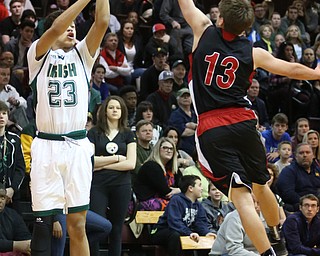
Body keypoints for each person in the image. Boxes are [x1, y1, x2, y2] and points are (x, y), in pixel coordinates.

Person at [177, 0, 320, 255]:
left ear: (220, 18)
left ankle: (267, 253)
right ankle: (278, 233)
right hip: (244, 122)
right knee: (261, 183)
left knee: (241, 196)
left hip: (212, 125)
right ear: (248, 26)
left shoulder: (203, 29)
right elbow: (292, 69)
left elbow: (185, 3)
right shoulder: (254, 52)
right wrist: (317, 73)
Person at [26, 0, 110, 254]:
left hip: (76, 146)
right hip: (46, 145)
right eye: (67, 26)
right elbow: (53, 31)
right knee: (43, 224)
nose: (72, 29)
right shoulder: (37, 54)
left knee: (78, 224)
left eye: (75, 26)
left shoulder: (82, 55)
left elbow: (103, 21)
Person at [87, 96, 136, 256]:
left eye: (118, 108)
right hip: (98, 185)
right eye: (111, 107)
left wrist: (103, 164)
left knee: (116, 228)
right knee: (96, 226)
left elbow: (131, 164)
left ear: (123, 112)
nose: (115, 110)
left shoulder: (128, 134)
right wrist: (116, 158)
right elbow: (91, 161)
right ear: (105, 111)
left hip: (121, 185)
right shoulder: (94, 133)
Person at [150, 175, 215, 256]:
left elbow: (201, 223)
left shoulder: (198, 205)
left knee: (201, 238)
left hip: (182, 231)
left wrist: (206, 233)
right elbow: (174, 222)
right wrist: (189, 233)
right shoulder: (176, 200)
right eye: (199, 185)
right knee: (176, 235)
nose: (202, 188)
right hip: (162, 232)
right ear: (190, 188)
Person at [133, 137, 180, 211]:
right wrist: (180, 190)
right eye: (165, 148)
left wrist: (178, 190)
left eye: (171, 149)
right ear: (158, 149)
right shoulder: (151, 166)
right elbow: (165, 192)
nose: (168, 151)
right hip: (145, 202)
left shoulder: (172, 169)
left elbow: (185, 184)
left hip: (164, 201)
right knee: (179, 204)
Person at [276, 143, 320, 212]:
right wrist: (308, 203)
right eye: (301, 153)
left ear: (313, 155)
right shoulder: (288, 171)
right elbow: (288, 194)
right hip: (298, 208)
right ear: (295, 156)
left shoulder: (317, 170)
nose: (305, 155)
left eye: (307, 152)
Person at [0, 100, 25, 210]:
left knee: (17, 225)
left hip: (11, 194)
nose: (1, 117)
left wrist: (13, 189)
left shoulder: (14, 139)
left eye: (4, 113)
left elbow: (20, 167)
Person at [0, 186, 31, 255]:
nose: (0, 201)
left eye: (3, 197)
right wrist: (16, 245)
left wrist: (28, 245)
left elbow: (25, 237)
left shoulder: (12, 214)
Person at [167, 88, 197, 156]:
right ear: (178, 99)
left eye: (188, 96)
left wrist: (193, 126)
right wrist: (196, 129)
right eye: (183, 96)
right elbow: (182, 132)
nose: (186, 98)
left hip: (196, 150)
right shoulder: (175, 115)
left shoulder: (195, 114)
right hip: (183, 151)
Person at [132, 119, 153, 184]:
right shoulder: (133, 148)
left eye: (150, 130)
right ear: (137, 134)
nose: (148, 132)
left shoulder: (155, 149)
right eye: (144, 131)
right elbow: (139, 170)